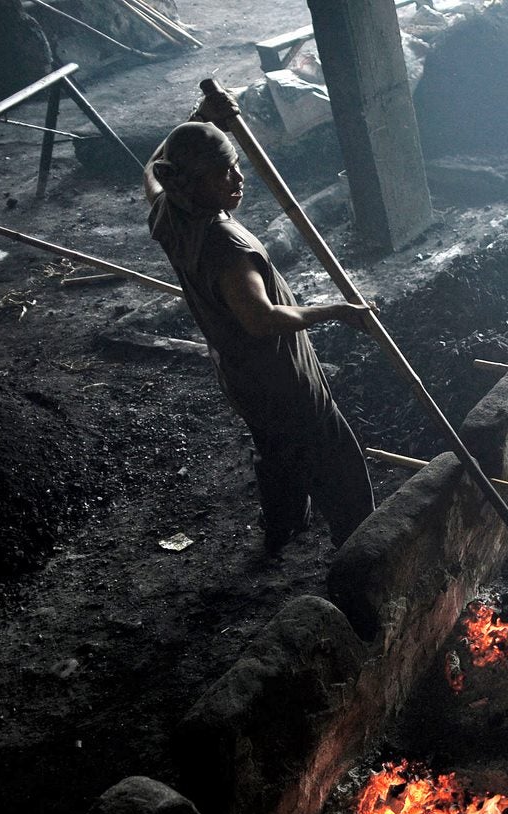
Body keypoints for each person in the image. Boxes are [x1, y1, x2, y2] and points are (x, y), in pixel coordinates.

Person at [144, 93, 375, 554]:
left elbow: (152, 169)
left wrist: (200, 120)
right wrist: (337, 311)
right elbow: (262, 319)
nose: (238, 178)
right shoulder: (226, 248)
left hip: (239, 373)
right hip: (281, 377)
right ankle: (363, 554)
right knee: (339, 467)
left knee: (275, 446)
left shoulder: (168, 212)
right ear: (191, 182)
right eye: (223, 172)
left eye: (235, 164)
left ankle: (282, 526)